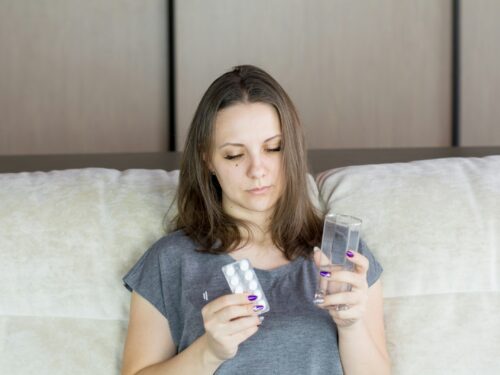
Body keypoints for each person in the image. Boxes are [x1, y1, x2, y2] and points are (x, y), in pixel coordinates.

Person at [121, 65, 391, 374]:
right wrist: (209, 352)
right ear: (207, 158)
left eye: (273, 148)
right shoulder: (170, 259)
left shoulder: (343, 257)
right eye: (235, 155)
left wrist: (351, 326)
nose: (257, 170)